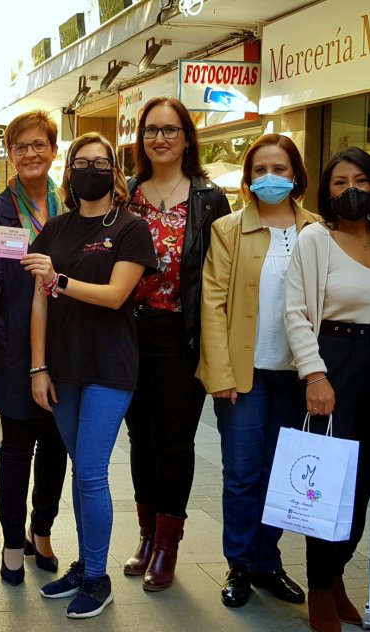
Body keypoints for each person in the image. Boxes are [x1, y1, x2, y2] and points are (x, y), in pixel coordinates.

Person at [28, 132, 158, 619]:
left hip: (109, 365)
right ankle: (85, 566)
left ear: (114, 172)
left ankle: (98, 577)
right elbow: (38, 302)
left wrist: (59, 279)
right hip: (62, 367)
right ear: (70, 173)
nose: (90, 170)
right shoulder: (56, 228)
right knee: (81, 471)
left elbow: (116, 295)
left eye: (100, 163)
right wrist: (38, 367)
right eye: (81, 162)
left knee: (90, 472)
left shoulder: (129, 227)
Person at [199, 133, 317, 608]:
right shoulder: (228, 229)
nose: (271, 178)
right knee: (243, 473)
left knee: (278, 473)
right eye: (261, 170)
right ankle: (240, 564)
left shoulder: (316, 229)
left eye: (281, 169)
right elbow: (213, 303)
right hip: (244, 374)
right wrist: (220, 372)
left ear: (296, 176)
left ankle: (269, 561)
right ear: (248, 180)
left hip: (295, 373)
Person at [121, 97, 231, 591]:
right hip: (125, 334)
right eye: (150, 131)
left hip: (180, 335)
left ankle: (168, 546)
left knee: (173, 441)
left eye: (169, 130)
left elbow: (221, 277)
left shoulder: (210, 198)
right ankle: (146, 536)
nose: (159, 138)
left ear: (187, 137)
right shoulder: (125, 194)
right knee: (138, 438)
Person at [0, 111, 68, 586]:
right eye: (21, 146)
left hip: (69, 346)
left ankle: (41, 530)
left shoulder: (75, 206)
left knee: (58, 444)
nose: (31, 154)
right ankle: (10, 540)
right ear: (10, 154)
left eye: (39, 144)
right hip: (15, 350)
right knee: (20, 445)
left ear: (52, 149)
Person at [284, 147, 370, 632]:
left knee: (362, 483)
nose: (351, 191)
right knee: (328, 481)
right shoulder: (315, 238)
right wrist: (314, 375)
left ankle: (338, 575)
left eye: (360, 180)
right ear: (327, 191)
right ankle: (319, 586)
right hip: (333, 361)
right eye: (340, 182)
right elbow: (297, 312)